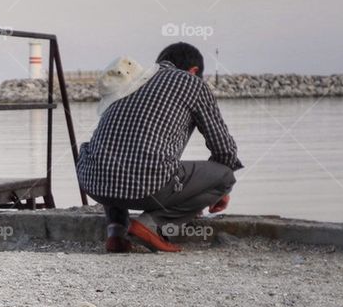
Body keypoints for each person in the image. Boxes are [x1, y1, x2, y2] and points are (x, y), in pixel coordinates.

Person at [76, 42, 243, 253]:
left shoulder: (133, 80)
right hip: (145, 188)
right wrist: (218, 188)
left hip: (95, 183)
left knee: (116, 150)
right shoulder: (193, 84)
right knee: (226, 175)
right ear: (194, 71)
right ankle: (151, 225)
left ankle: (116, 231)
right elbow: (225, 150)